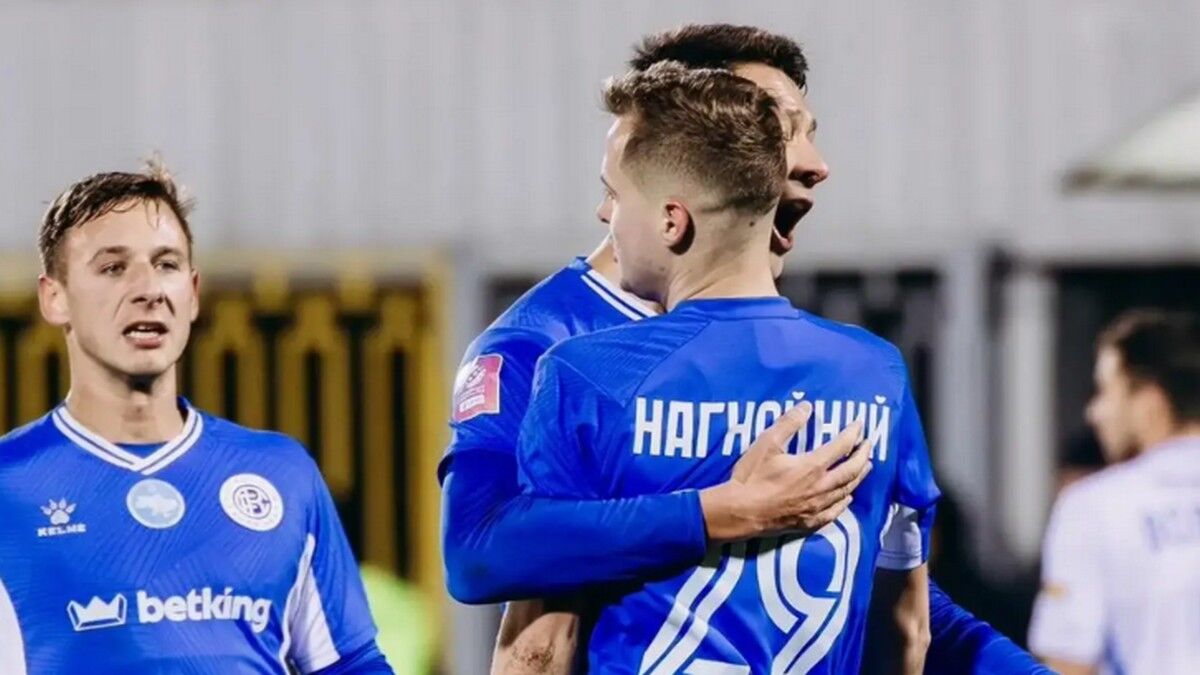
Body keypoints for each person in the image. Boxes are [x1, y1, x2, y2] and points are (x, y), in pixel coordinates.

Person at [441, 23, 1045, 674]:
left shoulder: (795, 347)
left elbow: (873, 593)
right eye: (785, 127)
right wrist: (716, 512)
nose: (815, 162)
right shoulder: (544, 345)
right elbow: (482, 555)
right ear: (699, 129)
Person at [516, 61, 937, 673]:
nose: (605, 216)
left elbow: (541, 643)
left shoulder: (586, 376)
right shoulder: (877, 374)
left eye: (616, 193)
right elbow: (907, 628)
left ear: (672, 220)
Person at [0, 163, 391, 674]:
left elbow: (351, 663)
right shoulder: (10, 483)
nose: (148, 289)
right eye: (113, 268)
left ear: (193, 292)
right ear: (54, 298)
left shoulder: (281, 474)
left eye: (166, 264)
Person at [1029, 310, 1200, 675]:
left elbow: (1069, 664)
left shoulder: (1094, 507)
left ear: (1149, 400)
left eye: (1106, 392)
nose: (1095, 413)